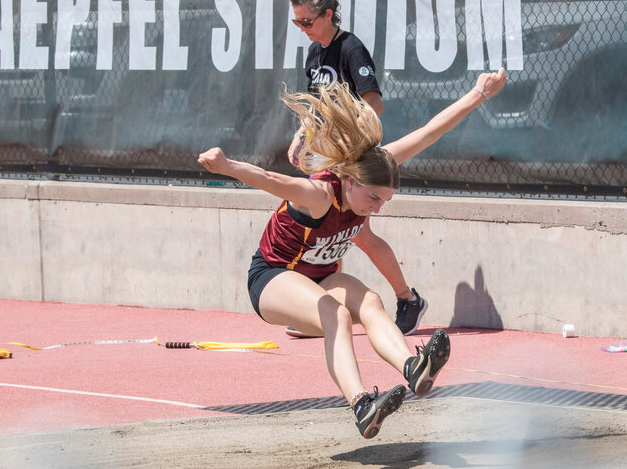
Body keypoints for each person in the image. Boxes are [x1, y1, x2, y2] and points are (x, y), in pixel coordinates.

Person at [198, 67, 508, 439]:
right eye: (373, 198)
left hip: (321, 275)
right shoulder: (319, 195)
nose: (377, 207)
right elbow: (271, 179)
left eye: (385, 200)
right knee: (337, 314)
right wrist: (226, 165)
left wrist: (479, 92)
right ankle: (362, 404)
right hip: (273, 276)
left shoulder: (375, 167)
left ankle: (413, 367)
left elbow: (428, 133)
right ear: (349, 180)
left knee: (372, 301)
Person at [288, 0, 427, 335]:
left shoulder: (351, 48)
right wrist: (301, 136)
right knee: (332, 229)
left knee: (357, 235)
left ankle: (408, 299)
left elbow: (374, 104)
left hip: (352, 158)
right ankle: (324, 308)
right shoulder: (314, 53)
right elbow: (317, 106)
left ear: (328, 14)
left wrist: (349, 148)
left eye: (307, 21)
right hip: (326, 156)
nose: (302, 28)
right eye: (296, 22)